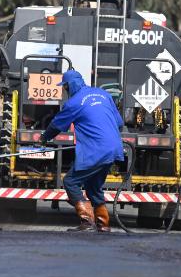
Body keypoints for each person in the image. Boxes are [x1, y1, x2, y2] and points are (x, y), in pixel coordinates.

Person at [40, 69, 124, 232]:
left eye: (65, 87)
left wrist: (44, 138)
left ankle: (86, 222)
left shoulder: (74, 103)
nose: (65, 90)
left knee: (71, 181)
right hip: (113, 149)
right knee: (93, 187)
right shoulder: (103, 94)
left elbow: (57, 125)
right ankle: (103, 224)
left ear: (69, 86)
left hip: (96, 150)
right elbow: (119, 123)